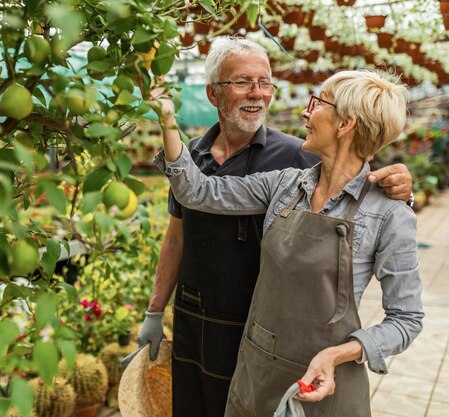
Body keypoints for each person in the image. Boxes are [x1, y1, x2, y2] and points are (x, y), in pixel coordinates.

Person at [136, 37, 413, 417]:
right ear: (214, 92)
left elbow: (406, 319)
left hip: (320, 380)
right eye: (243, 82)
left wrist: (339, 353)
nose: (304, 113)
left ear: (346, 124)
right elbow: (195, 191)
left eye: (317, 104)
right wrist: (166, 118)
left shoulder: (387, 213)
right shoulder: (286, 184)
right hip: (256, 363)